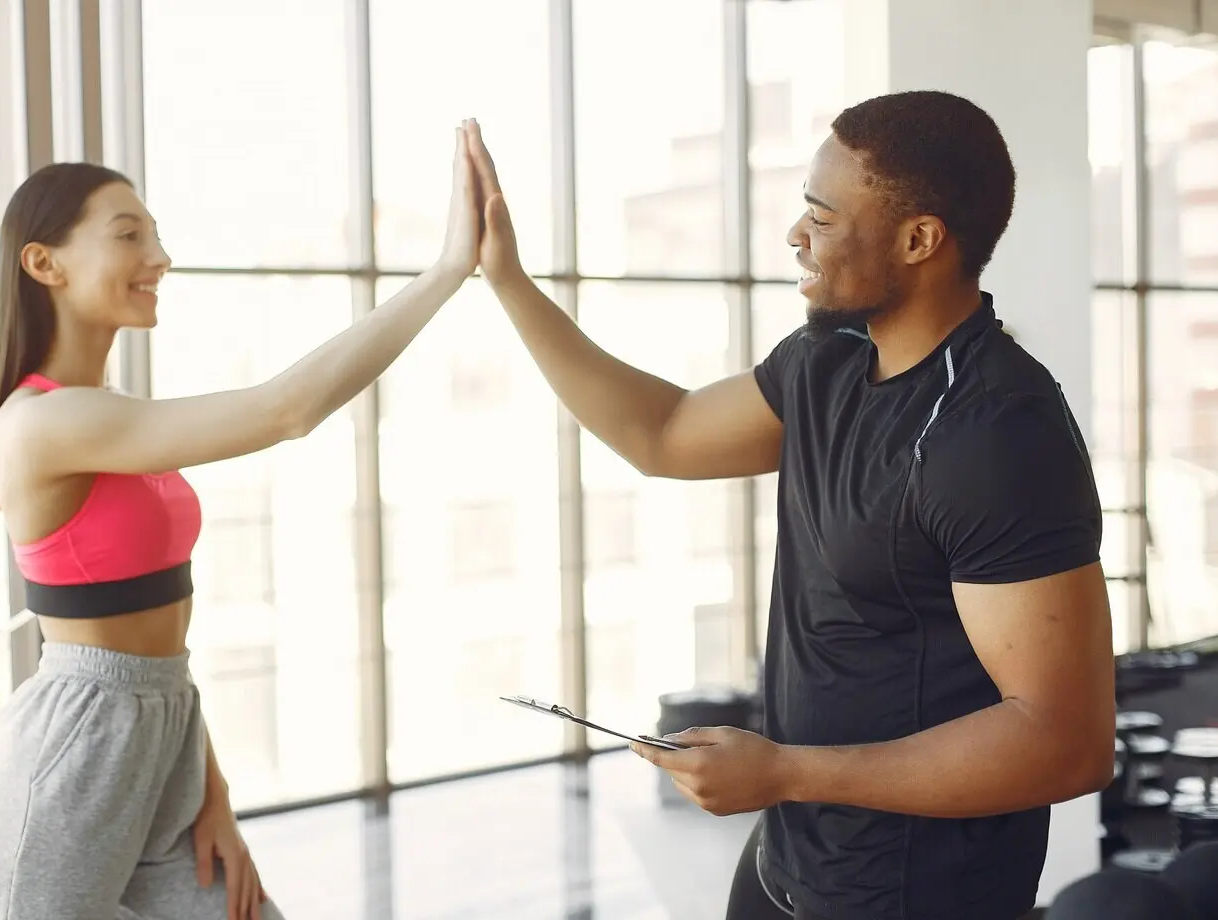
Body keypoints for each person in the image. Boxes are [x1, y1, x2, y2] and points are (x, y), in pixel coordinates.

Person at [464, 90, 1116, 920]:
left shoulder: (996, 435)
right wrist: (510, 283)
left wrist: (786, 771)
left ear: (920, 239)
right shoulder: (829, 363)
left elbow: (1066, 743)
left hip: (916, 897)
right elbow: (662, 433)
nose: (795, 236)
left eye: (824, 217)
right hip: (786, 868)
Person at [0, 121, 482, 920]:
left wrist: (208, 791)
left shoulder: (112, 416)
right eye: (130, 236)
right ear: (43, 262)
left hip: (165, 745)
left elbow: (159, 657)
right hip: (65, 773)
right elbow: (285, 411)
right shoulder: (38, 425)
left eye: (157, 237)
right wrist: (446, 269)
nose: (159, 259)